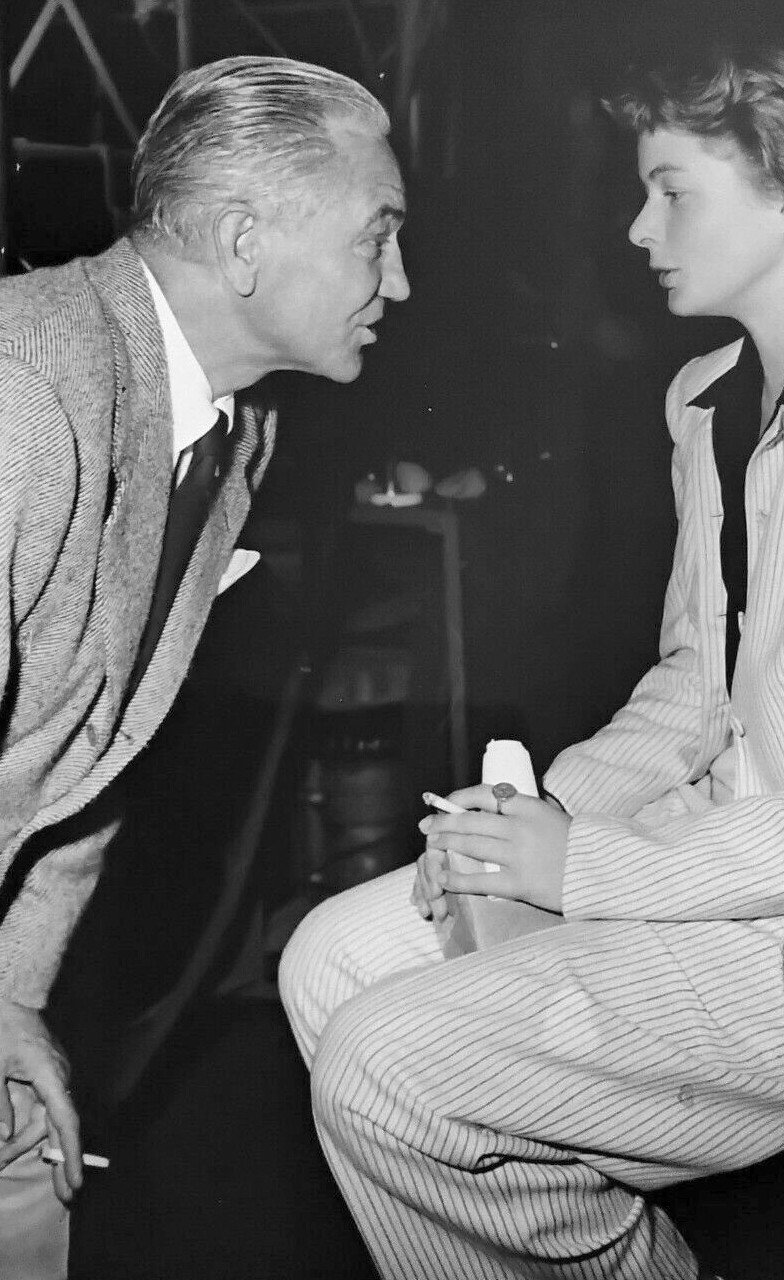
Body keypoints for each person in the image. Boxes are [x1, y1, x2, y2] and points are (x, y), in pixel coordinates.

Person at [280, 38, 784, 1279]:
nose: (635, 227)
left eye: (671, 191)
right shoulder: (706, 398)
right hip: (717, 865)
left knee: (385, 1067)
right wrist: (529, 818)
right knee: (326, 957)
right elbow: (693, 689)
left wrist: (579, 865)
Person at [0, 54, 408, 1274]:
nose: (399, 281)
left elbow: (87, 756)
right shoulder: (22, 397)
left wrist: (13, 994)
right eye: (376, 235)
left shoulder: (232, 429)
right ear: (242, 243)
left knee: (30, 1182)